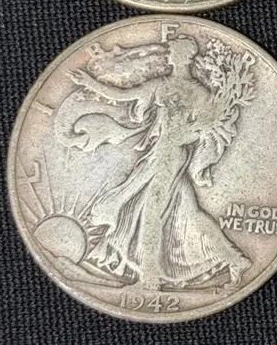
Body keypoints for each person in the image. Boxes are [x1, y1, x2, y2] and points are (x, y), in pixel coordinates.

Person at [67, 37, 251, 290]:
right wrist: (91, 83)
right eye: (171, 51)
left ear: (186, 57)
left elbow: (204, 129)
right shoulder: (163, 85)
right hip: (162, 152)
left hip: (171, 155)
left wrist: (183, 136)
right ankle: (236, 260)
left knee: (152, 213)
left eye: (175, 52)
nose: (171, 55)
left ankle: (150, 278)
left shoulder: (197, 93)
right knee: (188, 212)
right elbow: (123, 95)